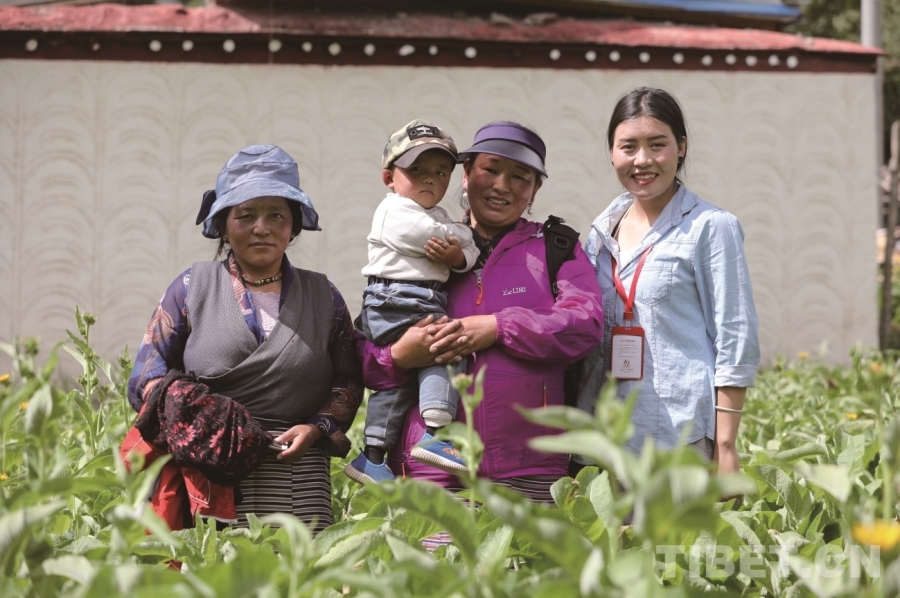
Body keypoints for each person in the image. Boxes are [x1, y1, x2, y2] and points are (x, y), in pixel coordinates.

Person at [358, 121, 604, 503]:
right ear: (466, 174)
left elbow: (585, 326)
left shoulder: (557, 248)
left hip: (532, 469)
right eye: (490, 169)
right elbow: (365, 356)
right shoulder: (422, 245)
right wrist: (401, 355)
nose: (501, 185)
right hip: (431, 474)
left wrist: (497, 327)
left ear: (535, 189)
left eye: (520, 176)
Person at [127, 144, 363, 533]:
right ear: (223, 223)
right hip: (209, 477)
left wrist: (316, 428)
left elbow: (349, 381)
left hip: (297, 477)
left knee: (303, 570)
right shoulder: (191, 288)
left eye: (276, 215)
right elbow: (146, 374)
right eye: (246, 215)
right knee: (212, 568)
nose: (261, 227)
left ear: (293, 225)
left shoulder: (324, 297)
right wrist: (203, 415)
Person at [580, 87, 759, 474]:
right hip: (601, 438)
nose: (642, 160)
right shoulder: (599, 234)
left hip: (677, 436)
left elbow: (734, 337)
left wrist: (726, 445)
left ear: (681, 147)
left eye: (657, 144)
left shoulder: (711, 227)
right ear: (611, 153)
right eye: (628, 147)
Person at [346, 119, 479, 485]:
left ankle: (373, 455)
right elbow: (426, 236)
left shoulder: (436, 216)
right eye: (417, 170)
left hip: (407, 300)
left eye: (440, 172)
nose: (429, 179)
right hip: (397, 298)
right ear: (389, 178)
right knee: (447, 345)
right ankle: (435, 433)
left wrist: (458, 254)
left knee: (398, 383)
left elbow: (468, 252)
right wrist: (461, 239)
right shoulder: (394, 209)